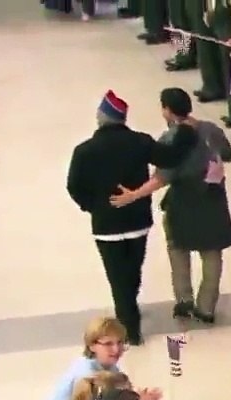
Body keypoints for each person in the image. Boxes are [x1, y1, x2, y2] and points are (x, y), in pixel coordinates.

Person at [66, 91, 197, 343]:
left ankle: (130, 329)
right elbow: (170, 157)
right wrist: (187, 132)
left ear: (102, 118)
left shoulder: (84, 151)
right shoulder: (141, 142)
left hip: (105, 225)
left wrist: (92, 206)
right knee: (133, 271)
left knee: (117, 277)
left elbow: (74, 185)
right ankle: (129, 311)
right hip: (138, 221)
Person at [108, 89, 231, 325]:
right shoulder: (211, 130)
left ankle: (184, 300)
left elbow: (161, 178)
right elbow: (228, 155)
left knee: (178, 250)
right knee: (212, 254)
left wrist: (134, 195)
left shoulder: (171, 139)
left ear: (167, 109)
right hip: (213, 200)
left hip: (183, 202)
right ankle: (207, 307)